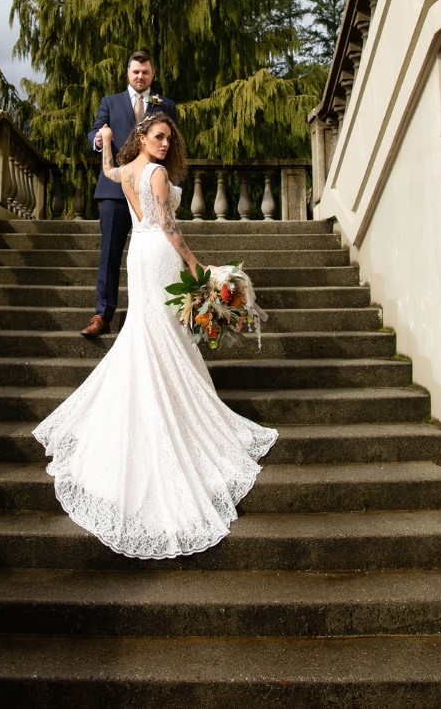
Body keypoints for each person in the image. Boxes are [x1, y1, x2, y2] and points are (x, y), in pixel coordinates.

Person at [33, 113, 278, 560]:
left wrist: (106, 142)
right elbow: (167, 224)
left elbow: (108, 172)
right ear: (143, 137)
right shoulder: (158, 172)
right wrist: (193, 261)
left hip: (137, 255)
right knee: (161, 332)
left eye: (169, 139)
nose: (165, 144)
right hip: (160, 252)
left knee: (149, 330)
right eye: (158, 137)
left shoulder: (126, 169)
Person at [80, 50, 177, 338]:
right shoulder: (110, 102)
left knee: (156, 254)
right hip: (114, 190)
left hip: (151, 189)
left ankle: (151, 317)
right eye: (135, 72)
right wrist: (99, 139)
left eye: (145, 72)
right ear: (128, 73)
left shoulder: (166, 105)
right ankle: (102, 315)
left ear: (152, 74)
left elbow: (173, 147)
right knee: (109, 253)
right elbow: (94, 133)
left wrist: (171, 191)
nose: (140, 76)